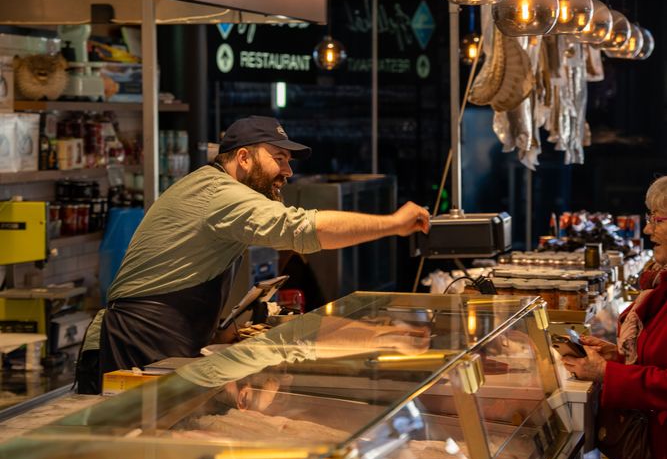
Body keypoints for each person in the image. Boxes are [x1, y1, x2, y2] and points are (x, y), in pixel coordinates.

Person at [77, 116, 430, 393]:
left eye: (289, 161)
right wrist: (394, 224)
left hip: (161, 339)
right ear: (243, 158)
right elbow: (301, 229)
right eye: (279, 159)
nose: (288, 172)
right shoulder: (218, 192)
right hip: (133, 343)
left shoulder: (216, 188)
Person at [562, 176, 667, 459]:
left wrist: (611, 375)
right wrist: (616, 356)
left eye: (658, 219)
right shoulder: (659, 281)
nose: (647, 230)